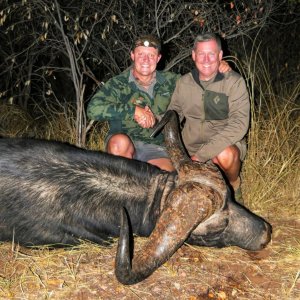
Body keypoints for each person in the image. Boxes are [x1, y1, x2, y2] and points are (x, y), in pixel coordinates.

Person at [87, 34, 231, 172]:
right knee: (119, 143)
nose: (145, 60)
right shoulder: (117, 83)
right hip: (125, 145)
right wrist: (133, 111)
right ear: (132, 56)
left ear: (158, 58)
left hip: (157, 148)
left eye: (151, 55)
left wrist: (216, 67)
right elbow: (93, 109)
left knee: (163, 180)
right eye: (141, 54)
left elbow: (201, 84)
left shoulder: (173, 81)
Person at [167, 33, 250, 203]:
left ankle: (234, 186)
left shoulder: (234, 82)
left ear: (220, 56)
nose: (206, 59)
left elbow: (240, 124)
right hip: (190, 146)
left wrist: (202, 156)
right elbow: (173, 113)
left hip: (224, 144)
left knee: (225, 155)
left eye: (211, 54)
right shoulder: (183, 83)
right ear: (193, 55)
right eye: (201, 54)